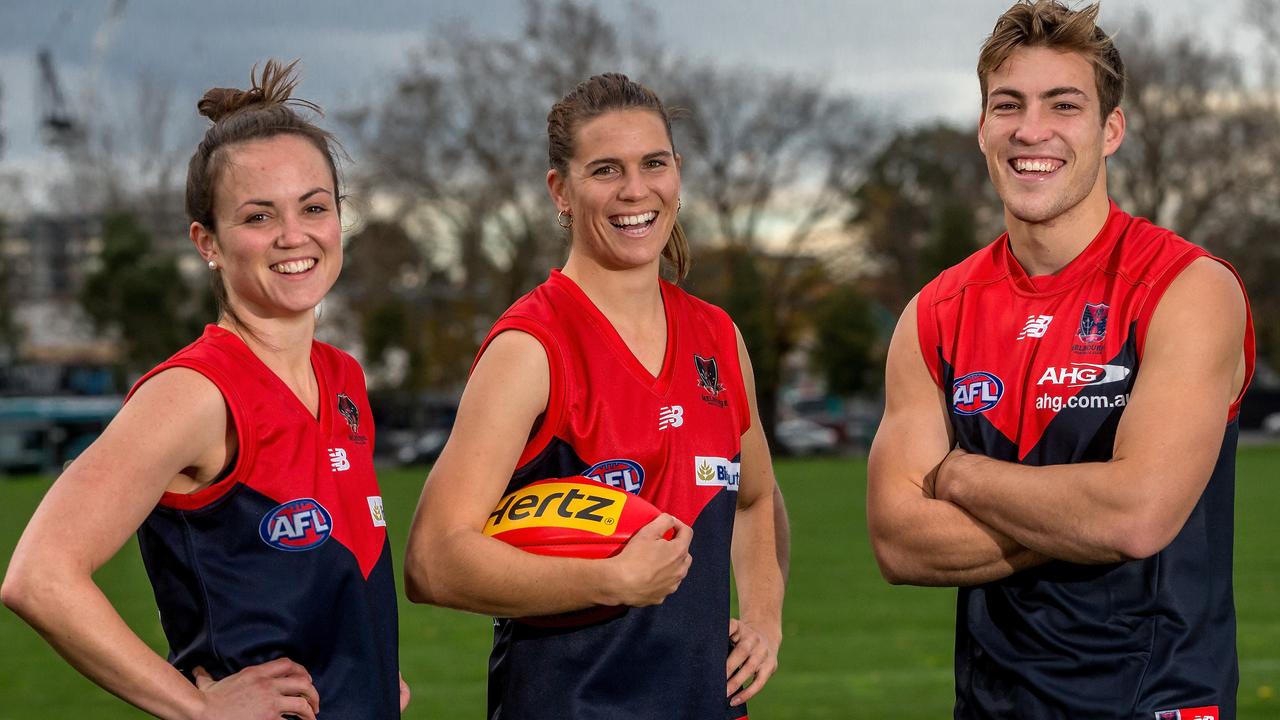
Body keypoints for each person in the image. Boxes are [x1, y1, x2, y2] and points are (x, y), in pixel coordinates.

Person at [866, 1, 1255, 717]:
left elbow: (1137, 516)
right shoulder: (934, 313)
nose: (1031, 130)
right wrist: (1083, 512)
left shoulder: (1188, 288)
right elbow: (899, 540)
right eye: (1007, 104)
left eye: (1063, 104)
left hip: (1159, 702)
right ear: (983, 128)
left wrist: (965, 476)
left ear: (1111, 130)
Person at [1, 60, 406, 719]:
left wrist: (365, 668)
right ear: (208, 243)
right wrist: (200, 708)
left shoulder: (343, 379)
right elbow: (39, 577)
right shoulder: (194, 393)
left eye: (314, 207)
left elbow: (325, 579)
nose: (293, 236)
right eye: (257, 217)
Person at [404, 72, 789, 719]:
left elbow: (753, 498)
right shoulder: (531, 348)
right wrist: (605, 581)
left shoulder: (718, 339)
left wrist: (765, 619)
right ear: (561, 191)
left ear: (678, 173)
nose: (635, 190)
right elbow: (432, 560)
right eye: (606, 170)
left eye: (653, 164)